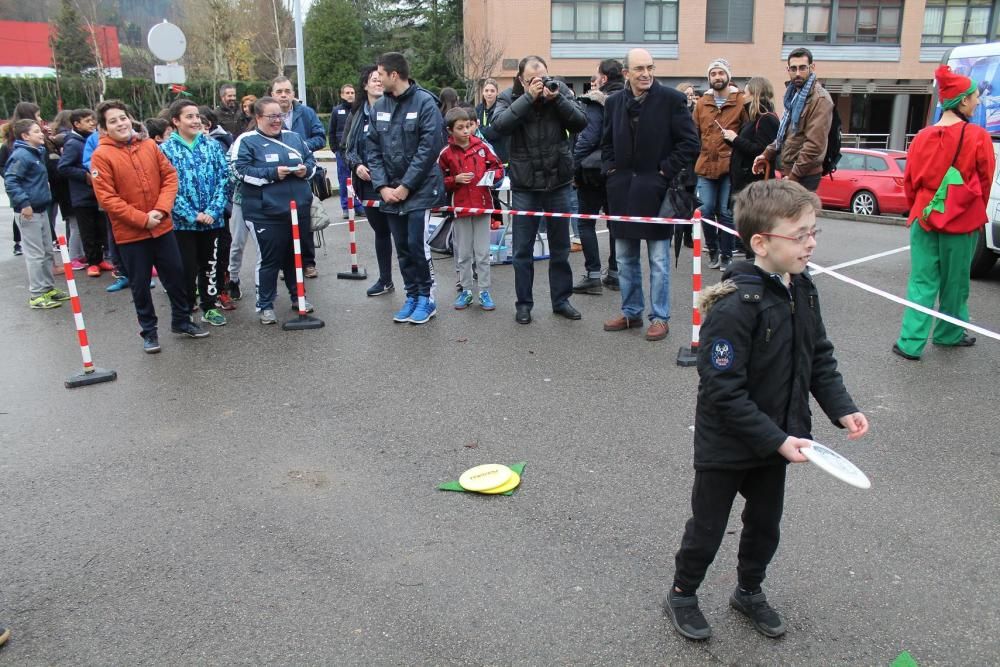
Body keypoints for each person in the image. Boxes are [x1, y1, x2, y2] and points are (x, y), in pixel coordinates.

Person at [665, 179, 869, 641]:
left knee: (764, 526)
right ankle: (682, 593)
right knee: (708, 528)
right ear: (761, 242)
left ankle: (749, 591)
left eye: (814, 232)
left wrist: (842, 409)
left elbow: (817, 356)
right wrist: (777, 438)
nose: (811, 242)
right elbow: (722, 390)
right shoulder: (735, 306)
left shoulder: (802, 290)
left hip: (779, 440)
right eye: (799, 235)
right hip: (729, 443)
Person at [892, 65, 994, 361]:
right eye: (974, 97)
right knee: (956, 281)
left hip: (924, 215)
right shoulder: (978, 136)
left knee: (922, 281)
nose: (977, 101)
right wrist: (971, 209)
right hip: (961, 220)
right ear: (962, 101)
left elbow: (909, 182)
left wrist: (919, 208)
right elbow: (985, 181)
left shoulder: (922, 136)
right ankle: (948, 334)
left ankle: (910, 343)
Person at [90, 100, 208, 352]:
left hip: (162, 227)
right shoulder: (101, 156)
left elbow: (169, 177)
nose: (120, 123)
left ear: (130, 118)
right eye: (113, 121)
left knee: (176, 276)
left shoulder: (149, 146)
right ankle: (149, 332)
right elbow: (108, 199)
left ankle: (182, 320)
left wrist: (161, 209)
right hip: (131, 234)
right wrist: (142, 219)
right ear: (104, 128)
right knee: (140, 285)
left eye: (123, 118)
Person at [600, 48, 699, 342]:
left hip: (656, 192)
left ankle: (660, 317)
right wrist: (611, 171)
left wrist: (664, 172)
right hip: (622, 193)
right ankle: (631, 312)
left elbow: (690, 143)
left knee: (658, 260)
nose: (646, 74)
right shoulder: (614, 102)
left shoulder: (671, 100)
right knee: (626, 257)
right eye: (639, 69)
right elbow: (606, 143)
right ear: (627, 73)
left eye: (650, 67)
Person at [491, 54, 587, 324]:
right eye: (533, 78)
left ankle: (561, 300)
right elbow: (499, 127)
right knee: (522, 250)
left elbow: (581, 122)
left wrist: (557, 99)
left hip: (558, 181)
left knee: (560, 247)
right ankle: (524, 304)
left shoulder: (559, 91)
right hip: (525, 185)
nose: (540, 82)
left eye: (543, 76)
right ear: (522, 79)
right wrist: (528, 98)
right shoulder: (509, 97)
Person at [365, 51, 446, 325]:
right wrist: (383, 187)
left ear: (394, 75)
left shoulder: (425, 103)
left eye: (380, 75)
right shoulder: (379, 108)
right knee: (401, 247)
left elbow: (429, 149)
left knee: (416, 245)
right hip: (390, 192)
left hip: (419, 191)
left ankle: (427, 298)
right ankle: (411, 295)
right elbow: (372, 150)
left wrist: (406, 186)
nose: (377, 79)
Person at [232, 96, 317, 325]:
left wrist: (305, 171)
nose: (277, 121)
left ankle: (299, 296)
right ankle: (265, 305)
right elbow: (239, 171)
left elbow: (312, 162)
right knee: (269, 259)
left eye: (279, 115)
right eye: (271, 116)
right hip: (264, 212)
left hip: (297, 209)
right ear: (258, 117)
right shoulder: (247, 141)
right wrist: (271, 173)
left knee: (294, 256)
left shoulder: (294, 138)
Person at [161, 99, 233, 328]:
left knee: (210, 264)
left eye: (196, 117)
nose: (195, 121)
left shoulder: (211, 146)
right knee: (186, 267)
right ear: (175, 121)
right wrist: (191, 214)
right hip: (183, 224)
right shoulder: (165, 150)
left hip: (213, 221)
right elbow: (165, 187)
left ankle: (209, 306)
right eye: (189, 117)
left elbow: (225, 178)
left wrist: (213, 209)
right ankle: (187, 307)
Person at [437, 107, 504, 311]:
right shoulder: (445, 154)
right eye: (460, 128)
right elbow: (437, 181)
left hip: (483, 206)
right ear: (450, 131)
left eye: (468, 126)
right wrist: (453, 180)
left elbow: (499, 168)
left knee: (482, 253)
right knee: (464, 253)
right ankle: (466, 290)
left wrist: (492, 177)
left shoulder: (483, 147)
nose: (466, 131)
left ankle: (484, 291)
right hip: (461, 208)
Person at [4, 119, 70, 309]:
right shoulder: (22, 155)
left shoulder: (36, 152)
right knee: (35, 254)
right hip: (29, 212)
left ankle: (47, 288)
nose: (41, 134)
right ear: (25, 136)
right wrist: (24, 203)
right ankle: (37, 294)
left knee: (47, 251)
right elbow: (11, 180)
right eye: (36, 131)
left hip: (41, 208)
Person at [572, 58, 625, 295]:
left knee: (586, 222)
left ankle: (593, 275)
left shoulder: (598, 100)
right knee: (615, 222)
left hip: (593, 172)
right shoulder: (632, 99)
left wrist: (573, 167)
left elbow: (589, 137)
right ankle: (614, 273)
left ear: (603, 78)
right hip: (621, 169)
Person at [345, 64, 395, 297]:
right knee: (381, 232)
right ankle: (385, 280)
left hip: (394, 183)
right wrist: (357, 166)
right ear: (364, 85)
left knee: (404, 235)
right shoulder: (356, 116)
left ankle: (417, 286)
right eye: (373, 79)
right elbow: (348, 148)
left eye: (380, 78)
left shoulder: (396, 109)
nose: (377, 82)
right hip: (368, 185)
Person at [753, 48, 834, 192]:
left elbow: (814, 146)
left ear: (812, 67)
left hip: (805, 174)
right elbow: (785, 134)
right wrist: (765, 154)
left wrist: (793, 177)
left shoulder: (820, 99)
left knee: (796, 214)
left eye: (802, 68)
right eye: (793, 68)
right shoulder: (793, 95)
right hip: (790, 170)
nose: (797, 73)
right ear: (788, 69)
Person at [270, 76, 326, 278]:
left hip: (303, 175)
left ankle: (308, 262)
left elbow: (320, 138)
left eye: (287, 91)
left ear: (293, 93)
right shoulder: (267, 115)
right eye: (279, 92)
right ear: (272, 95)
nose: (283, 95)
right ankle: (287, 264)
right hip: (278, 177)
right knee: (282, 221)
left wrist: (299, 147)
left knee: (305, 219)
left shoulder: (306, 113)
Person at [694, 58, 746, 271]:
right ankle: (713, 251)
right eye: (713, 74)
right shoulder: (701, 103)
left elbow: (746, 132)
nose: (717, 77)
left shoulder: (740, 101)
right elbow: (694, 132)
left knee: (725, 212)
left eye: (720, 73)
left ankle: (727, 255)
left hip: (729, 166)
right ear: (709, 78)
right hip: (705, 165)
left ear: (728, 76)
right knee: (705, 210)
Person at [58, 108, 111, 278]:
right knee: (87, 231)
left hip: (97, 194)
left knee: (100, 228)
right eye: (88, 121)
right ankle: (92, 262)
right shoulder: (73, 143)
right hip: (82, 196)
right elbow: (63, 167)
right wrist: (85, 176)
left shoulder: (91, 140)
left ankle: (100, 259)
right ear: (77, 124)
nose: (92, 123)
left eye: (93, 120)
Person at [329, 83, 358, 219]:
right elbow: (332, 131)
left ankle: (358, 206)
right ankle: (346, 207)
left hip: (357, 151)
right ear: (342, 95)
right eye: (347, 93)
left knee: (357, 179)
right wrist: (335, 149)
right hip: (342, 152)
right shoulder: (337, 111)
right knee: (344, 180)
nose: (350, 95)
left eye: (352, 92)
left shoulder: (359, 109)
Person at [476, 78, 508, 164]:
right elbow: (473, 131)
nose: (489, 93)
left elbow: (495, 133)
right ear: (483, 92)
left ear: (497, 92)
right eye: (486, 90)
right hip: (482, 154)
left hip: (499, 154)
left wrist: (479, 127)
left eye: (492, 91)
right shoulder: (478, 109)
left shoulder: (501, 109)